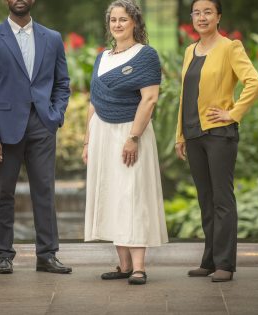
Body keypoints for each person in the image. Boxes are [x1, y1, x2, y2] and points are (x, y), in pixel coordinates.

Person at [0, 0, 72, 274]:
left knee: (45, 191)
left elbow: (63, 82)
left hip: (42, 124)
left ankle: (47, 255)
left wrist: (56, 115)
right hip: (4, 130)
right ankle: (3, 255)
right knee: (3, 193)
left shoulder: (52, 38)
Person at [175, 0, 258, 282]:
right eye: (197, 13)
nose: (201, 17)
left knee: (222, 199)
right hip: (193, 133)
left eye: (208, 12)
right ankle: (210, 260)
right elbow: (184, 95)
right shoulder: (190, 50)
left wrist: (233, 112)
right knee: (206, 199)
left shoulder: (230, 47)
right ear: (192, 17)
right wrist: (180, 134)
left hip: (219, 134)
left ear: (218, 17)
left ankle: (225, 263)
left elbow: (255, 82)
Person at [83, 0, 168, 285]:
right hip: (102, 134)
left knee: (132, 195)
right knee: (111, 194)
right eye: (113, 20)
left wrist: (133, 137)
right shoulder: (101, 57)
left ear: (135, 23)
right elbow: (93, 102)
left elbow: (150, 99)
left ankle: (139, 268)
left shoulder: (146, 56)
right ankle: (122, 266)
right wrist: (86, 141)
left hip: (130, 132)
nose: (117, 25)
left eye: (123, 19)